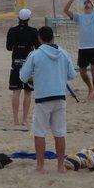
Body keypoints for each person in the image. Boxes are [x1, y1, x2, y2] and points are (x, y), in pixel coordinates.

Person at [19, 26, 77, 173]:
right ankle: (60, 167)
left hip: (43, 98)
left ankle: (40, 167)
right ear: (52, 37)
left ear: (39, 38)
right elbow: (71, 75)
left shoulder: (35, 54)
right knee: (59, 132)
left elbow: (23, 76)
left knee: (39, 132)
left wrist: (35, 77)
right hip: (59, 97)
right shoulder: (63, 53)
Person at [63, 0, 94, 99]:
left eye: (88, 3)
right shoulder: (79, 17)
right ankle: (90, 88)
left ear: (92, 5)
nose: (87, 4)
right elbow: (65, 10)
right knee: (82, 73)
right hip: (83, 48)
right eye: (85, 3)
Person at [6, 8, 40, 126]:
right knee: (27, 92)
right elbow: (38, 47)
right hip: (29, 63)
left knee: (16, 91)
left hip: (16, 62)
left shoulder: (12, 30)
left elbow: (9, 47)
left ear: (18, 18)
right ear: (28, 19)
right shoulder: (33, 31)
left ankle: (15, 119)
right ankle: (24, 119)